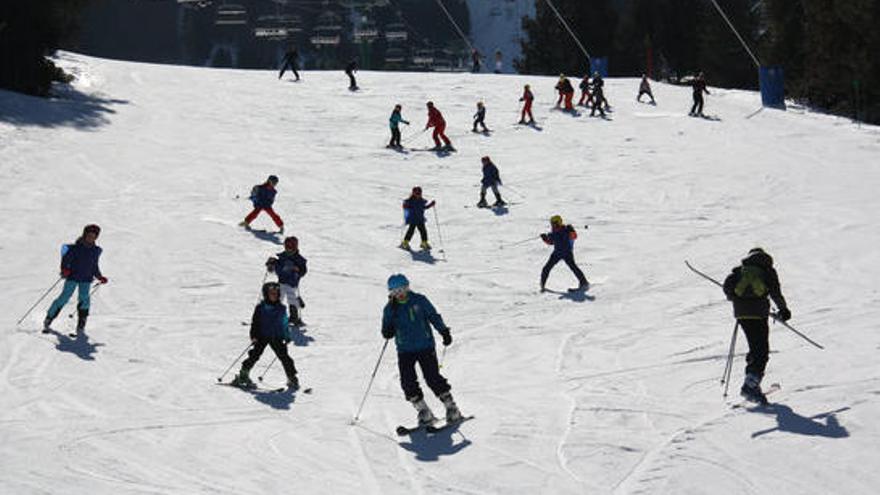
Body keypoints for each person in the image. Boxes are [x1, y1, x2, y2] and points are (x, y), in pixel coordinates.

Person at [382, 274, 462, 426]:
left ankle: (451, 407)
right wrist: (387, 331)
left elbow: (433, 316)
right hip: (404, 350)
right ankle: (423, 410)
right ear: (391, 292)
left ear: (407, 287)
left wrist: (444, 331)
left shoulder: (419, 300)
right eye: (395, 291)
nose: (399, 293)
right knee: (407, 381)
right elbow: (386, 328)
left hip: (425, 346)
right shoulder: (390, 309)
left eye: (402, 289)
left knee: (432, 377)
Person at [722, 248, 791, 404]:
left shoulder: (740, 271)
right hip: (758, 314)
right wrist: (783, 310)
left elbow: (727, 287)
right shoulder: (767, 271)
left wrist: (735, 299)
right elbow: (775, 292)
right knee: (761, 351)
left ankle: (752, 382)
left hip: (742, 314)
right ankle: (750, 386)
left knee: (755, 348)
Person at [231, 282, 300, 390]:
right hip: (262, 336)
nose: (274, 296)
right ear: (266, 294)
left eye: (276, 294)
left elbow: (284, 323)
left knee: (285, 358)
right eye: (271, 293)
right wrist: (253, 335)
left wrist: (286, 336)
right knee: (254, 355)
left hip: (277, 337)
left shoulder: (281, 308)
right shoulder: (261, 307)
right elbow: (255, 322)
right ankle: (243, 375)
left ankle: (292, 377)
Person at [43, 224, 108, 334]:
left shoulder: (96, 251)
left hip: (86, 279)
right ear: (84, 235)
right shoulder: (75, 248)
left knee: (84, 300)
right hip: (72, 277)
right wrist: (64, 270)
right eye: (89, 235)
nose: (91, 238)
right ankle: (49, 317)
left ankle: (81, 322)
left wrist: (99, 276)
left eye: (94, 236)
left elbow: (94, 266)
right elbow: (65, 261)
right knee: (64, 297)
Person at [266, 236, 308, 327]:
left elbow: (303, 271)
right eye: (287, 247)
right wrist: (271, 263)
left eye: (291, 247)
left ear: (295, 247)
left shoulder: (299, 259)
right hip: (281, 282)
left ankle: (294, 318)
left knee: (291, 300)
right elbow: (276, 268)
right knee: (276, 299)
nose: (288, 250)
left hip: (292, 284)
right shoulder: (282, 256)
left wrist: (298, 270)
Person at [540, 215, 588, 292]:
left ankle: (584, 283)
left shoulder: (566, 230)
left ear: (559, 222)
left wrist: (572, 230)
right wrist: (545, 238)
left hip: (567, 253)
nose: (553, 225)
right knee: (546, 268)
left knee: (573, 267)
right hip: (557, 253)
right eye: (552, 223)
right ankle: (542, 286)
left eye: (555, 223)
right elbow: (551, 242)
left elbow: (574, 236)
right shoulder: (553, 233)